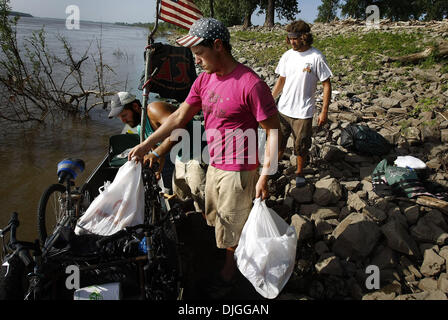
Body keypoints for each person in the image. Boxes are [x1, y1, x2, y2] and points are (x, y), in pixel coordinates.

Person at [128, 17, 280, 295]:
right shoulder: (204, 80)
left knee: (232, 223)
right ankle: (222, 254)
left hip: (240, 169)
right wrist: (145, 145)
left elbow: (272, 131)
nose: (196, 61)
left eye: (199, 53)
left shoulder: (250, 84)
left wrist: (265, 176)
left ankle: (229, 274)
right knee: (215, 217)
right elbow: (178, 117)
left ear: (218, 45)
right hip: (214, 163)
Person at [271, 20, 333, 187]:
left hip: (303, 112)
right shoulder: (287, 56)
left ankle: (299, 172)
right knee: (278, 142)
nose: (292, 42)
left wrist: (324, 111)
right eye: (290, 38)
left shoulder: (316, 57)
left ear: (304, 37)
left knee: (301, 146)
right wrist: (271, 100)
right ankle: (273, 169)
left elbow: (326, 84)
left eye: (295, 38)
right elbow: (281, 80)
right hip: (283, 109)